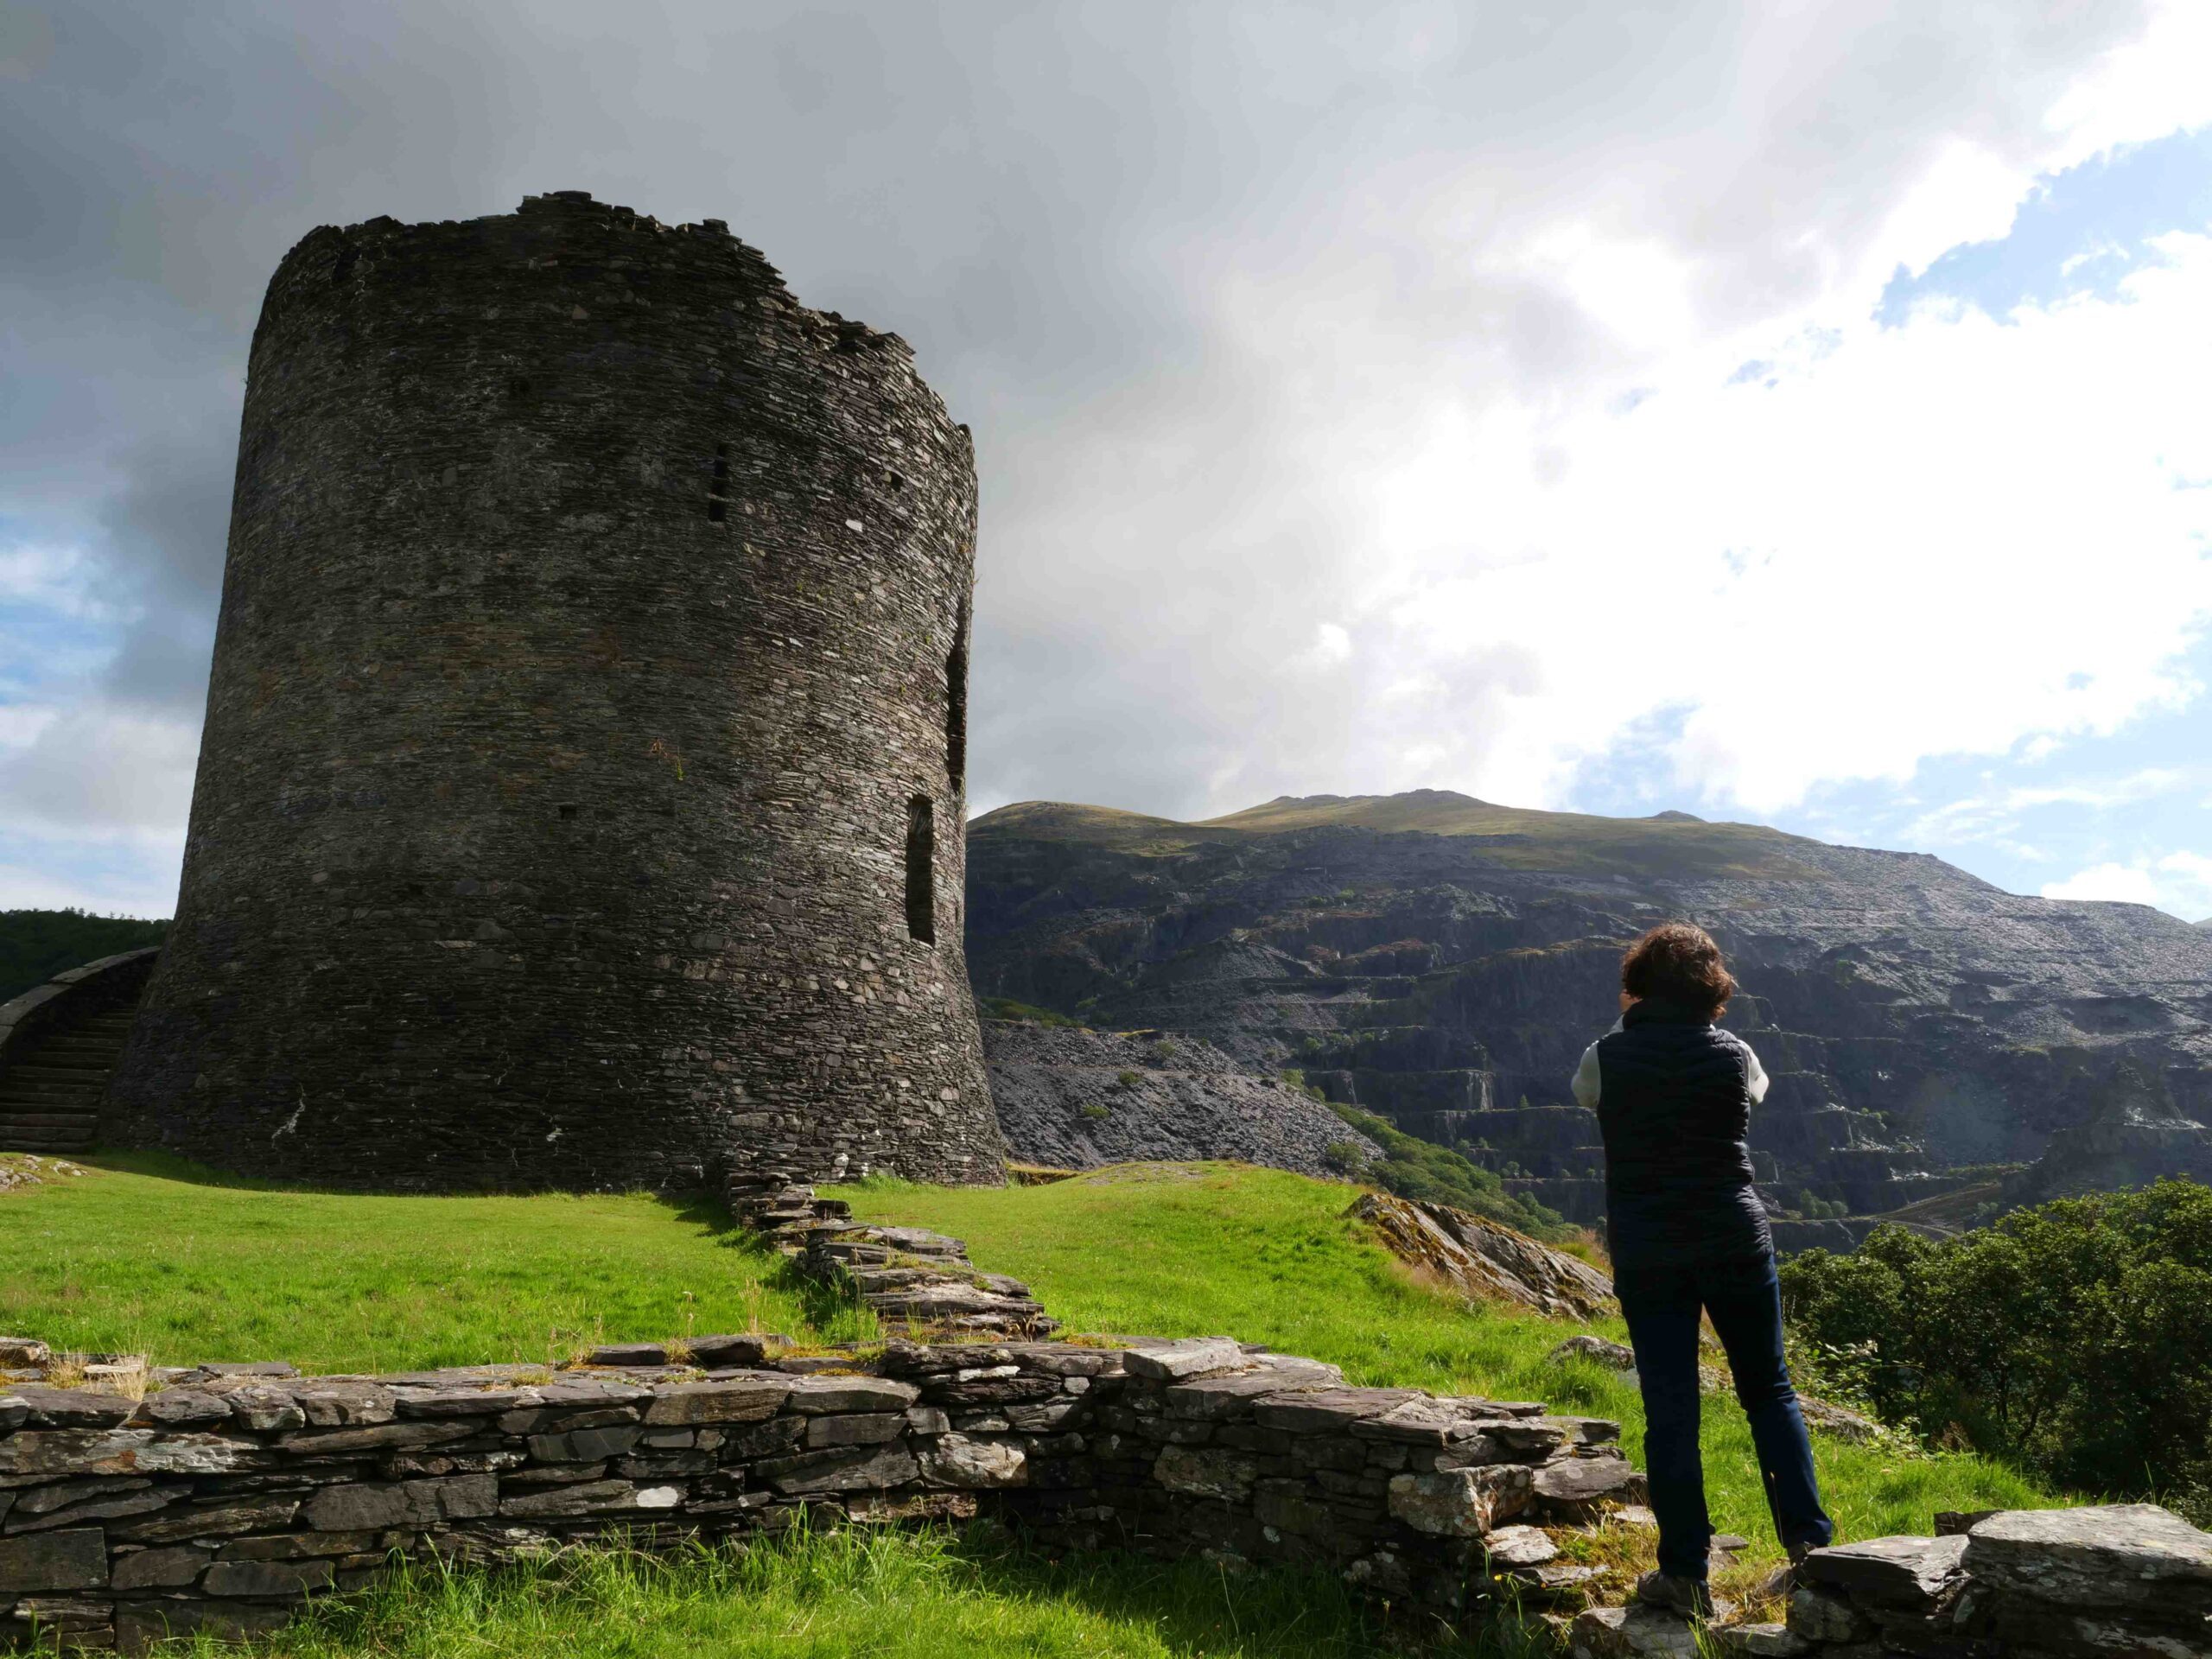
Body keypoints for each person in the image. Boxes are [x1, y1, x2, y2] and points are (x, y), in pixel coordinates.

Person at [1571, 922, 1833, 1616]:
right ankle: (1811, 1554)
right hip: (1733, 1238)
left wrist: (1630, 1024)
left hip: (1650, 1247)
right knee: (1769, 1392)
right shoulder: (1736, 1053)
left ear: (1637, 985)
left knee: (1671, 1410)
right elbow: (1755, 1097)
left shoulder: (1603, 1056)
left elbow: (1588, 1093)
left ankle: (1686, 1576)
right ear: (1714, 989)